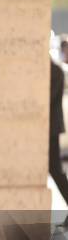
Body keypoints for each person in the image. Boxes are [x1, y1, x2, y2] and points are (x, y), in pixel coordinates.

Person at [49, 58, 68, 206]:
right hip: (49, 127)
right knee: (55, 169)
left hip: (51, 129)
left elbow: (46, 98)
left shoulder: (55, 71)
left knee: (55, 169)